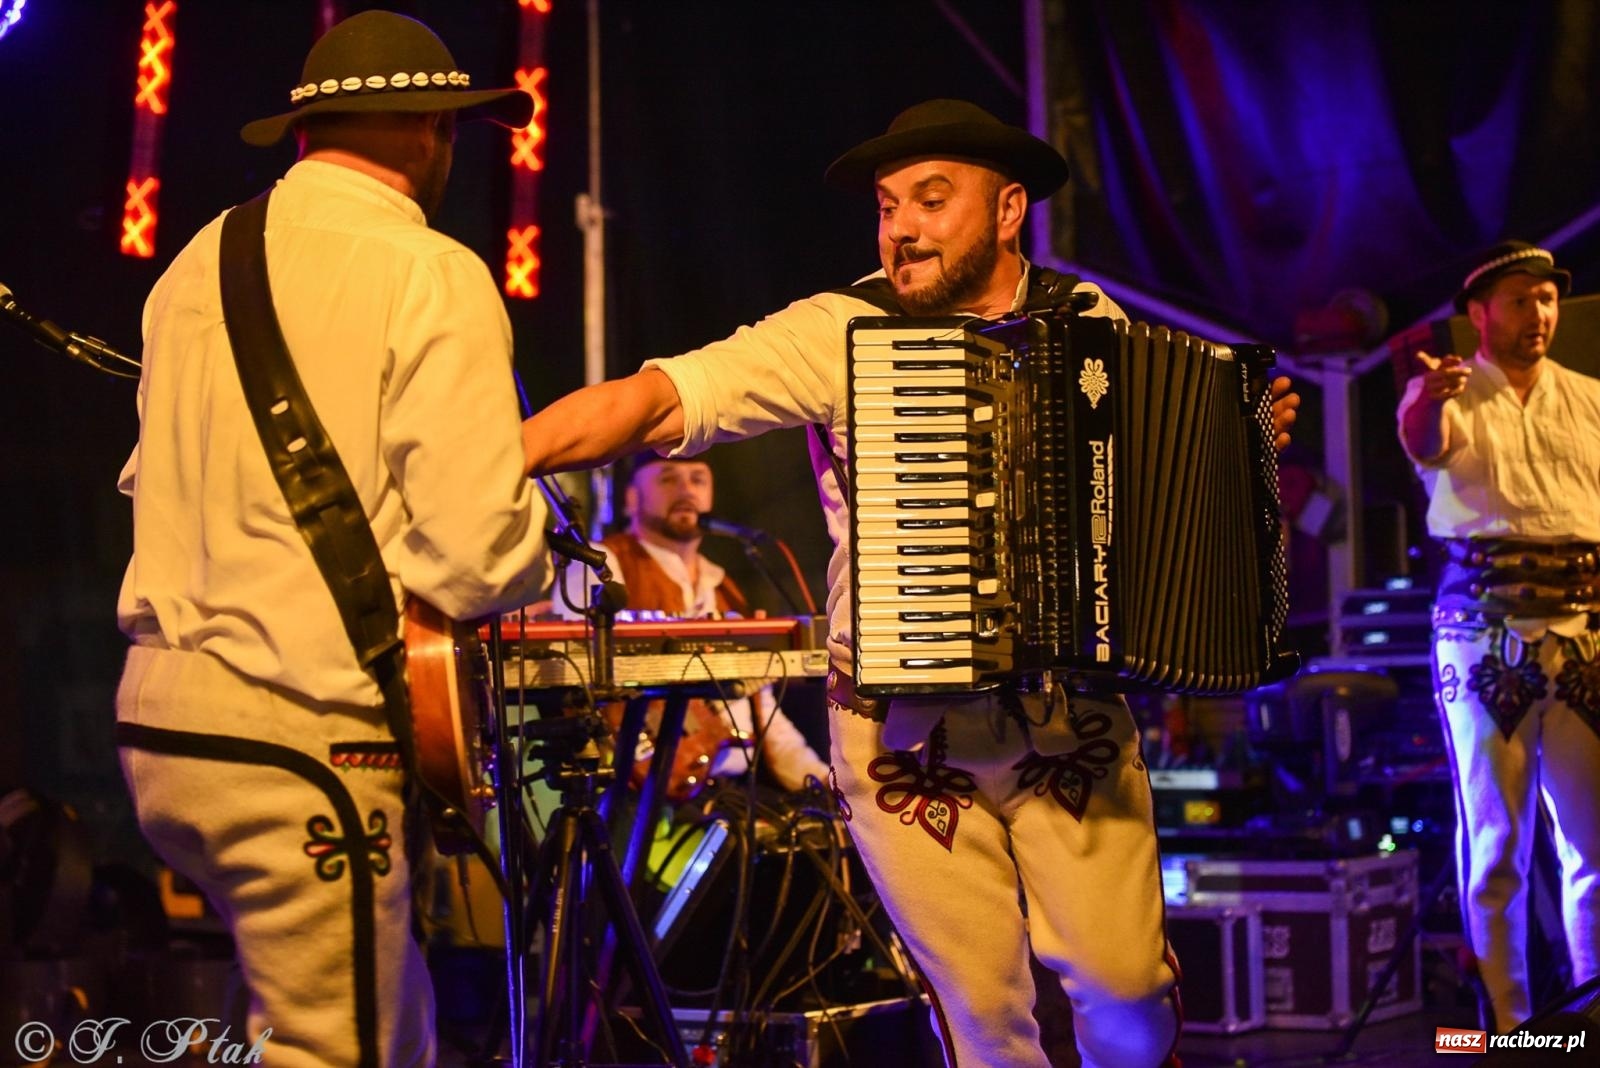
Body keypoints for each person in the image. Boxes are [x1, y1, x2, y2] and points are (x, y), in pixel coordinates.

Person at [521, 98, 1299, 1068]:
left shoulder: (1087, 318)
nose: (902, 228)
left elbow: (1144, 492)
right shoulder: (842, 328)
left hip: (1070, 717)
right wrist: (504, 455)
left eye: (931, 200)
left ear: (1008, 211)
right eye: (888, 207)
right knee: (981, 1015)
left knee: (1128, 989)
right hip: (896, 728)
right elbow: (658, 399)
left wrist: (1233, 448)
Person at [113, 12, 549, 1066]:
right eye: (452, 129)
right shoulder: (428, 269)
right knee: (342, 1049)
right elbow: (478, 554)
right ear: (427, 130)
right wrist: (540, 535)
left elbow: (145, 480)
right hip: (300, 732)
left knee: (361, 1030)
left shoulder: (197, 260)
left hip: (164, 726)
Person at [1398, 240, 1600, 1033]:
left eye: (1546, 299)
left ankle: (1590, 1018)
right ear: (1479, 314)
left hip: (1584, 630)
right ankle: (1507, 1028)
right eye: (1521, 300)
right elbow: (1424, 441)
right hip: (1484, 634)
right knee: (1496, 841)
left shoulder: (1588, 397)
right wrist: (1428, 398)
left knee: (1593, 842)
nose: (1539, 313)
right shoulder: (1444, 391)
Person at [553, 451, 830, 796]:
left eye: (697, 480)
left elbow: (763, 710)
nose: (686, 490)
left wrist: (827, 784)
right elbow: (578, 677)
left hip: (729, 795)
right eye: (668, 478)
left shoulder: (724, 588)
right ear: (631, 498)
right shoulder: (600, 563)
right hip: (632, 794)